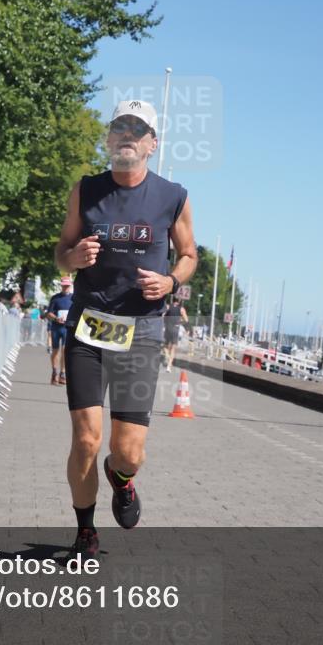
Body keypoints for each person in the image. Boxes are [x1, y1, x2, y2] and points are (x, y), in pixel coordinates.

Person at [54, 99, 197, 559]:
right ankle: (85, 533)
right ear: (109, 139)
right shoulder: (86, 190)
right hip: (88, 325)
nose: (127, 137)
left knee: (128, 451)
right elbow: (61, 252)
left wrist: (171, 281)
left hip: (142, 330)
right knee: (86, 439)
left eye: (138, 130)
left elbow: (189, 255)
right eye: (120, 128)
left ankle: (122, 478)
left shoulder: (173, 196)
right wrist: (73, 258)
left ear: (153, 144)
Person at [45, 276, 74, 385]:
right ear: (61, 285)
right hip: (56, 328)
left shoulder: (74, 298)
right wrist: (56, 318)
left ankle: (63, 373)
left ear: (70, 285)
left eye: (67, 285)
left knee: (65, 350)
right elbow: (49, 313)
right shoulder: (55, 298)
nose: (66, 287)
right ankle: (54, 372)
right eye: (64, 285)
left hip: (67, 328)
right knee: (56, 350)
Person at [162, 297, 188, 371]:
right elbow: (186, 320)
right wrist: (180, 321)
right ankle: (169, 366)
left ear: (172, 300)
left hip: (168, 328)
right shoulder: (181, 309)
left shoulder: (168, 307)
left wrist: (166, 321)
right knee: (173, 348)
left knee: (165, 346)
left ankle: (167, 356)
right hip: (175, 329)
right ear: (179, 301)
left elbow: (162, 316)